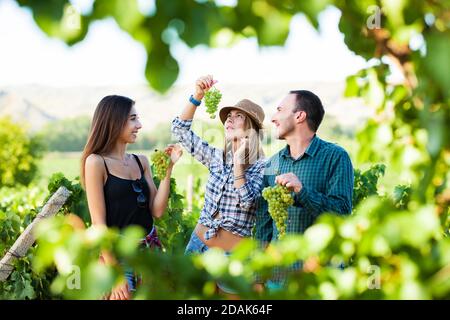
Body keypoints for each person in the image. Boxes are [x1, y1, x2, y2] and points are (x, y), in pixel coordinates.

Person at [171, 75, 266, 296]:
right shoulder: (216, 157)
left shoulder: (263, 167)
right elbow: (179, 131)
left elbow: (248, 202)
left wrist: (238, 168)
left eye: (238, 116)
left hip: (232, 260)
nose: (230, 120)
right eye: (229, 116)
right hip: (198, 247)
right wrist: (197, 96)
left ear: (251, 127)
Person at [81, 95, 182, 300]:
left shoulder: (140, 161)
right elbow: (98, 224)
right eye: (133, 119)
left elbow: (157, 210)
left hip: (149, 254)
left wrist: (168, 169)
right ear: (114, 121)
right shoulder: (96, 162)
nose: (140, 125)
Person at [254, 90, 354, 291]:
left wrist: (301, 191)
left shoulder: (335, 157)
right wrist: (258, 277)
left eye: (280, 110)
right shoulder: (271, 164)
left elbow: (342, 212)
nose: (273, 118)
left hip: (320, 281)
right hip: (277, 280)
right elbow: (264, 225)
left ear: (299, 116)